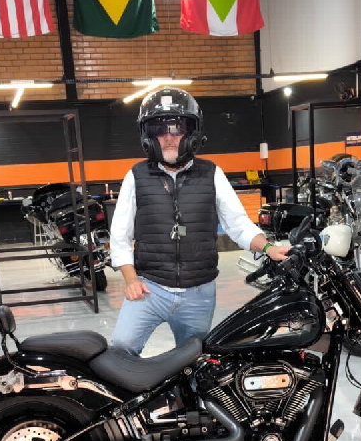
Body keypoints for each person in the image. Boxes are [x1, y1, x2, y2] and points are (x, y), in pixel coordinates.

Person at [109, 87, 288, 356]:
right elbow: (119, 236)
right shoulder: (136, 176)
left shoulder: (212, 174)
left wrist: (268, 248)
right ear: (148, 136)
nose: (169, 137)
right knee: (121, 349)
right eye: (159, 129)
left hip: (198, 294)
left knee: (192, 361)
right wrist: (131, 279)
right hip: (150, 289)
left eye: (177, 128)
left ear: (192, 133)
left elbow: (238, 224)